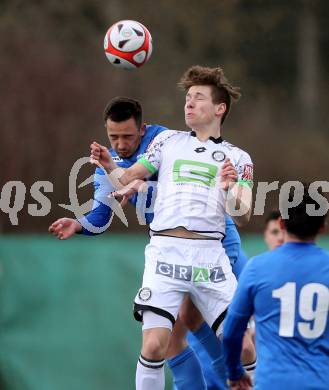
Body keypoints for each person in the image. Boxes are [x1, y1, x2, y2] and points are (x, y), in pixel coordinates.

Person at [49, 95, 255, 389]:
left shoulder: (165, 141)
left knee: (218, 331)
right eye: (113, 137)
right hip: (170, 248)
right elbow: (100, 216)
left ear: (143, 130)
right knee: (167, 337)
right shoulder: (108, 163)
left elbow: (192, 181)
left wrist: (147, 186)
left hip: (215, 244)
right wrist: (78, 224)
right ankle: (224, 377)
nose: (120, 144)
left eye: (127, 136)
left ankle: (230, 376)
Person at [223, 189, 329, 390]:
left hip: (272, 383)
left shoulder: (257, 268)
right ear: (322, 227)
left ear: (281, 223)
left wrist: (234, 372)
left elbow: (231, 331)